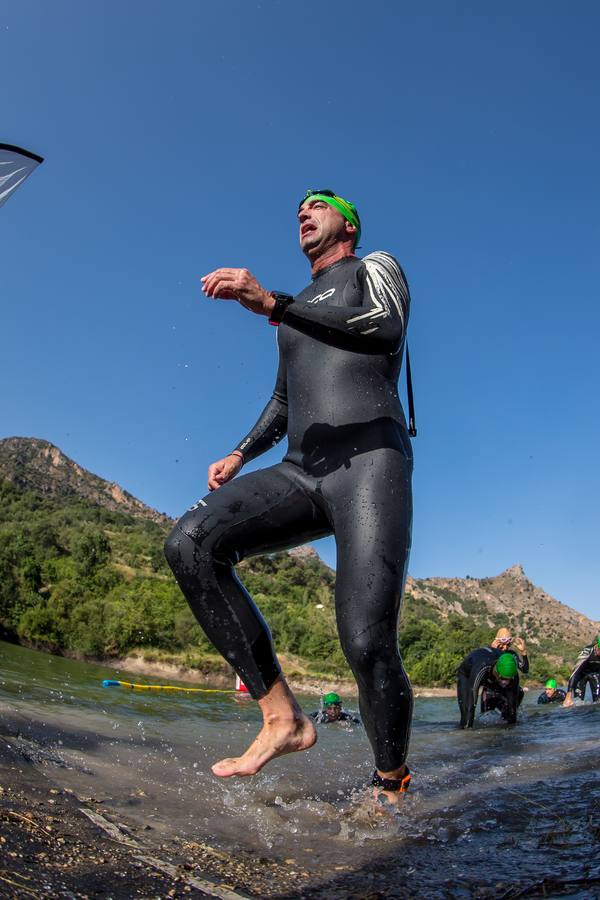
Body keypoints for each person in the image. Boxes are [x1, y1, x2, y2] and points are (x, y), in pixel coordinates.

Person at [164, 189, 414, 803]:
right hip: (301, 469)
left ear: (347, 222)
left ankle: (391, 784)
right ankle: (283, 718)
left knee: (365, 640)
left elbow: (384, 331)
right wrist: (241, 452)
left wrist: (273, 302)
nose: (303, 212)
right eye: (297, 209)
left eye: (318, 205)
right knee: (190, 544)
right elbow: (284, 400)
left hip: (370, 464)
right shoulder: (293, 312)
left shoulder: (374, 268)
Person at [457, 650, 522, 728]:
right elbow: (471, 704)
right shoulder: (481, 670)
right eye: (502, 678)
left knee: (517, 696)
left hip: (493, 671)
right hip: (467, 673)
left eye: (508, 679)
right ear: (496, 671)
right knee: (466, 717)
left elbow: (512, 709)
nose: (505, 682)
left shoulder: (513, 674)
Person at [562, 636, 600, 707]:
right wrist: (568, 695)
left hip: (595, 674)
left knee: (598, 702)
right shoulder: (588, 651)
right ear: (597, 647)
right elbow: (575, 672)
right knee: (578, 703)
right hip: (581, 675)